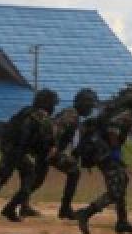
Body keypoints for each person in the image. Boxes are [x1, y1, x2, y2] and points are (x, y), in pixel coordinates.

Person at [0, 89, 58, 226]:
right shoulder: (41, 117)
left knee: (22, 175)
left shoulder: (26, 111)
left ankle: (8, 208)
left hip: (11, 148)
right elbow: (46, 140)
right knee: (8, 179)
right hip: (16, 151)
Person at [73, 83, 132, 234]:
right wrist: (115, 152)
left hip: (100, 149)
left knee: (121, 180)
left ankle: (122, 222)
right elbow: (113, 130)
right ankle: (86, 213)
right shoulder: (128, 113)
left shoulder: (119, 109)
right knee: (115, 190)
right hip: (103, 151)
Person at [19, 88, 98, 220]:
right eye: (90, 106)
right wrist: (54, 147)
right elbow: (55, 130)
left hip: (44, 149)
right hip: (48, 149)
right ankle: (65, 209)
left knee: (37, 180)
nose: (90, 110)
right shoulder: (71, 115)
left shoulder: (73, 114)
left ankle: (21, 205)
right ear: (83, 104)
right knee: (74, 172)